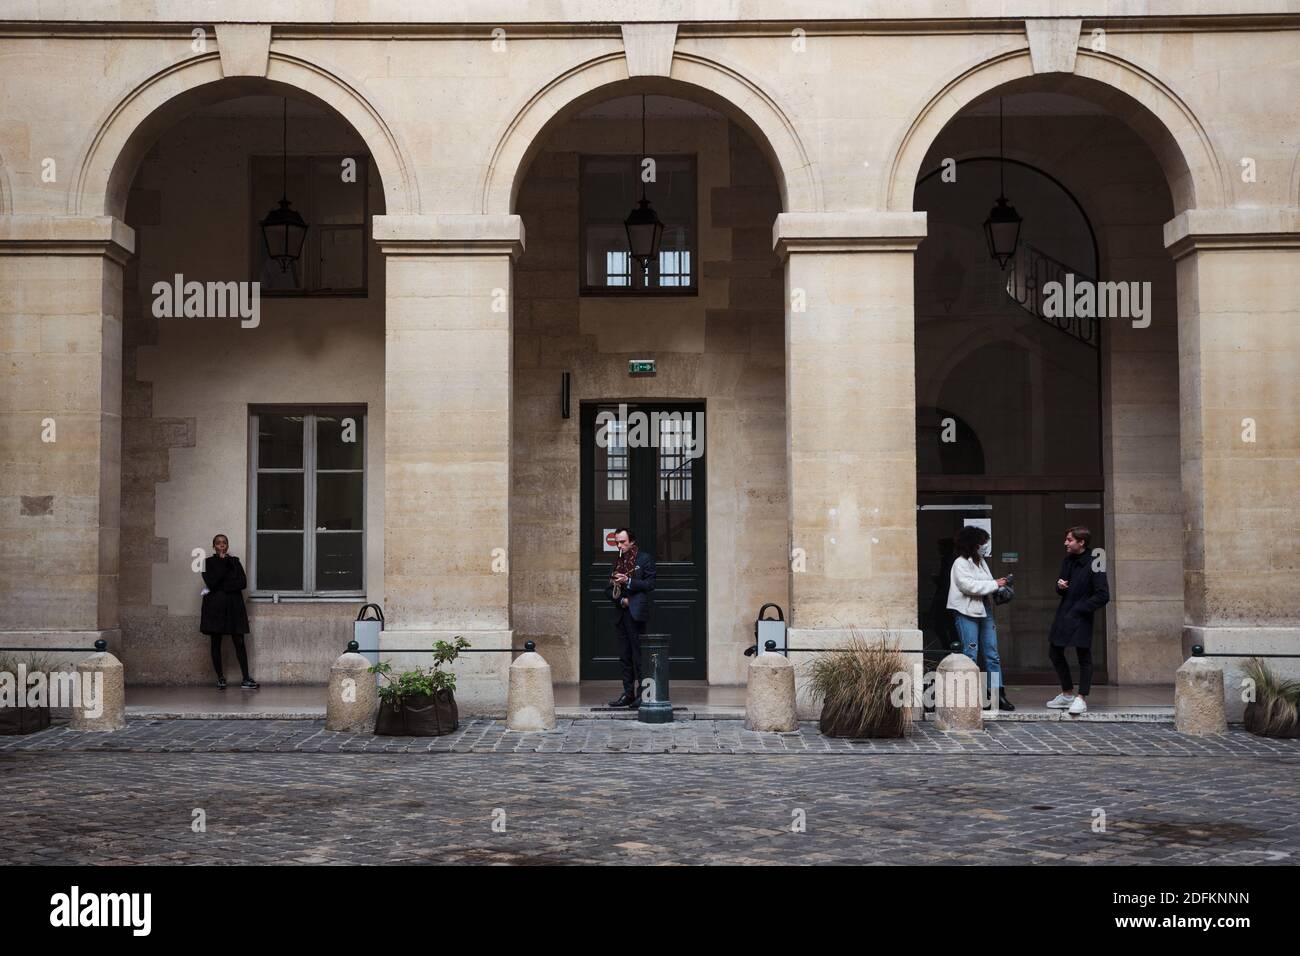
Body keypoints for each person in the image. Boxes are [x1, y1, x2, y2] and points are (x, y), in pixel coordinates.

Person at [946, 524, 1014, 711]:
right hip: (966, 611)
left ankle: (998, 694)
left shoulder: (981, 562)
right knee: (971, 654)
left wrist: (998, 585)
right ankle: (971, 695)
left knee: (993, 655)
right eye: (982, 543)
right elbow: (968, 586)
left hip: (984, 609)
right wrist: (995, 583)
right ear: (973, 544)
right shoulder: (960, 563)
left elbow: (984, 583)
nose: (984, 546)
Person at [1046, 526, 1109, 715]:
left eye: (1069, 540)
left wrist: (1080, 608)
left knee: (1084, 656)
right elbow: (1061, 584)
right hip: (1064, 613)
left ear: (1081, 542)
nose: (1066, 543)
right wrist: (1060, 586)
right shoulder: (1068, 560)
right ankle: (1067, 694)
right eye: (1066, 539)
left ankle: (1081, 698)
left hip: (1081, 615)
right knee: (1054, 651)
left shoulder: (1096, 561)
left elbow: (1103, 595)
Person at [604, 527, 656, 708]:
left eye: (623, 542)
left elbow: (650, 584)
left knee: (638, 656)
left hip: (636, 614)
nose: (619, 545)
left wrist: (629, 582)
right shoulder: (617, 561)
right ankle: (628, 694)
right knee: (624, 657)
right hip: (621, 614)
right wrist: (619, 600)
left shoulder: (644, 559)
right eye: (617, 542)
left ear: (632, 541)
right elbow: (607, 589)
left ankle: (643, 694)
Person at [200, 534, 258, 689]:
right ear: (214, 546)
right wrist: (223, 565)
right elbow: (211, 582)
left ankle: (246, 678)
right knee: (216, 641)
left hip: (234, 606)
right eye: (218, 543)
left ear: (228, 545)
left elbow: (242, 583)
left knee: (239, 640)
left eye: (224, 543)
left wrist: (222, 586)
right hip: (215, 607)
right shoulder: (207, 562)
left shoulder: (235, 561)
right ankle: (220, 677)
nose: (222, 545)